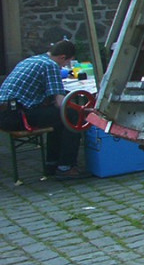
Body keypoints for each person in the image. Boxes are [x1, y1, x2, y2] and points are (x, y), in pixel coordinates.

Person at [0, 40, 84, 177]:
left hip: (5, 113)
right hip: (16, 116)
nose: (64, 66)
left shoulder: (32, 60)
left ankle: (52, 163)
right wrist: (82, 110)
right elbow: (60, 102)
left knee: (57, 117)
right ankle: (66, 167)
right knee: (72, 116)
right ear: (62, 57)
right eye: (67, 62)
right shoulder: (51, 65)